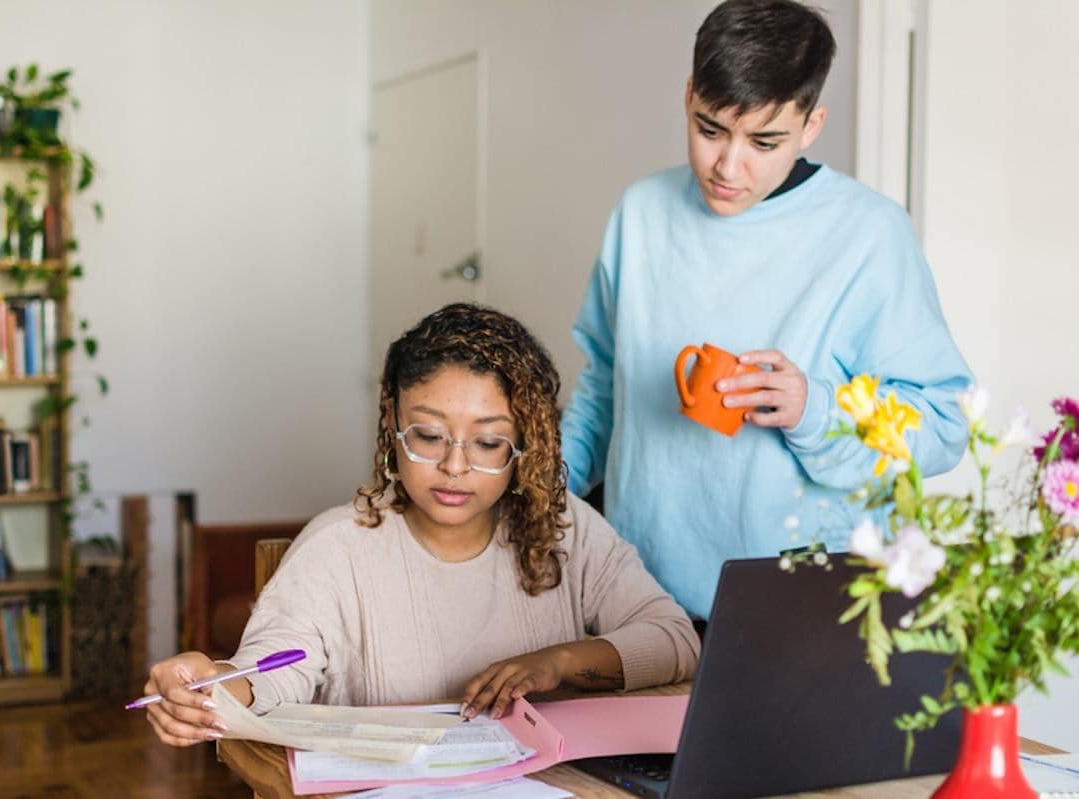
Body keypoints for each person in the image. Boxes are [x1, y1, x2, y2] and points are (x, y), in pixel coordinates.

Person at [561, 0, 973, 621]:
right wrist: (541, 486)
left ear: (811, 125)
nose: (728, 166)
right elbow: (602, 387)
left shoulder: (871, 235)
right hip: (635, 594)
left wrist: (815, 408)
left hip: (797, 605)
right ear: (688, 95)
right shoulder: (640, 213)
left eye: (764, 141)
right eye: (710, 129)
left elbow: (945, 423)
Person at [144, 303, 700, 748]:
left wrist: (555, 664)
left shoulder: (564, 528)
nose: (455, 467)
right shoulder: (338, 549)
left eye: (488, 442)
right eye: (429, 437)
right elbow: (271, 673)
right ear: (393, 425)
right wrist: (210, 684)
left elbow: (676, 641)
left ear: (524, 445)